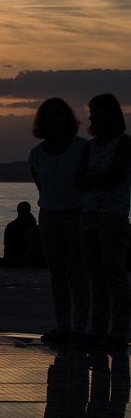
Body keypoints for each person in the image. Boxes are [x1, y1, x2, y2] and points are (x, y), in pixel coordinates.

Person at [74, 93, 131, 345]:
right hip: (89, 215)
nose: (91, 116)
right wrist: (101, 178)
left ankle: (119, 330)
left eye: (95, 111)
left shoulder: (124, 143)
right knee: (97, 277)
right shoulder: (90, 146)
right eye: (91, 111)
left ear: (109, 114)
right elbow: (78, 181)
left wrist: (94, 178)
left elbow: (115, 176)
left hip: (113, 216)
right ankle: (98, 328)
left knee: (115, 275)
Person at [0, 202, 39, 267]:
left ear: (18, 211)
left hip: (11, 259)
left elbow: (7, 247)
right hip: (28, 259)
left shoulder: (11, 226)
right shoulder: (32, 226)